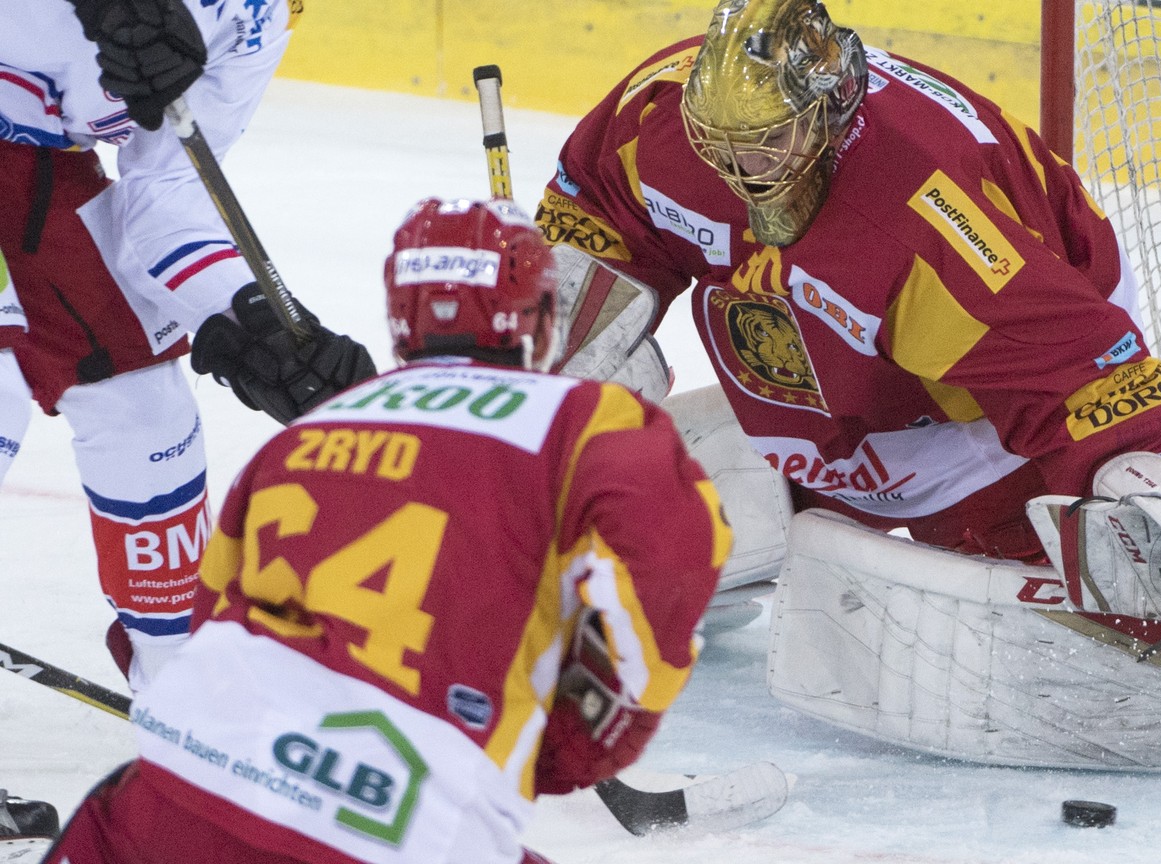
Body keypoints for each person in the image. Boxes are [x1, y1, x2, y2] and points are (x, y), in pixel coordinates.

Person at [533, 0, 1161, 784]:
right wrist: (560, 333)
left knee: (1121, 567)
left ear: (829, 114)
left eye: (770, 144)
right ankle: (616, 566)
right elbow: (598, 208)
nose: (742, 172)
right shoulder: (665, 128)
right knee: (624, 434)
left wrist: (1137, 491)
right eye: (724, 145)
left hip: (986, 391)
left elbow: (1080, 367)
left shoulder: (927, 220)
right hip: (825, 374)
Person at [41, 197, 729, 864]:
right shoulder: (583, 419)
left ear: (402, 321)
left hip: (170, 797)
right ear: (543, 315)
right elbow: (677, 554)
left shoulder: (310, 432)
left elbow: (207, 618)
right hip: (402, 824)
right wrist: (594, 736)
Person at [0, 0, 375, 690]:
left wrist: (250, 318)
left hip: (33, 166)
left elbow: (168, 185)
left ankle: (183, 691)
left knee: (145, 412)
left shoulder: (259, 19)